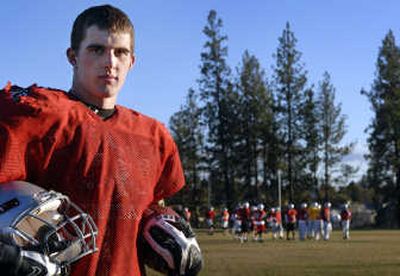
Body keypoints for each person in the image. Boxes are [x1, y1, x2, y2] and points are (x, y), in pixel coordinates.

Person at [0, 5, 187, 276]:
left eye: (120, 52)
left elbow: (149, 208)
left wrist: (167, 233)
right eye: (97, 49)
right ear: (73, 56)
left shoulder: (152, 135)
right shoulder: (38, 114)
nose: (110, 62)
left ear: (132, 61)